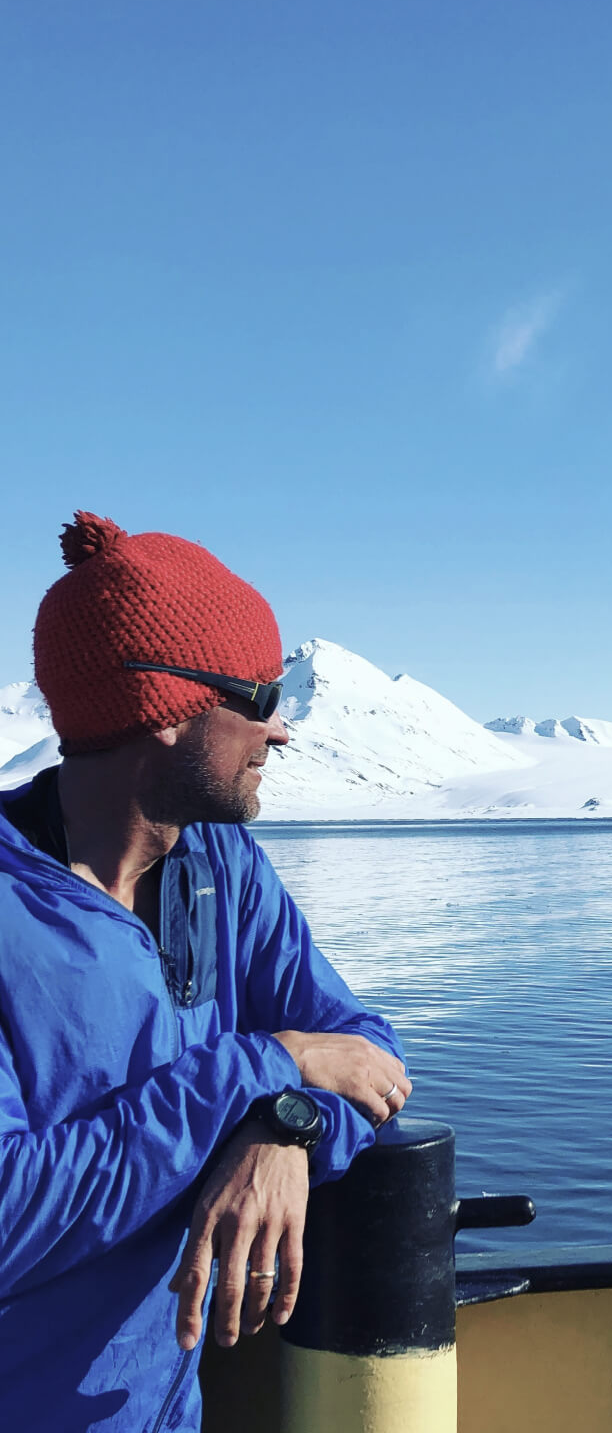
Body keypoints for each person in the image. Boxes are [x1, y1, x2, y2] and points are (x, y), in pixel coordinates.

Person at [0, 511, 412, 1433]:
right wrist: (259, 1069)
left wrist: (285, 1125)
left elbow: (365, 1054)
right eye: (261, 697)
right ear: (170, 705)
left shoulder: (222, 873)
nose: (282, 732)